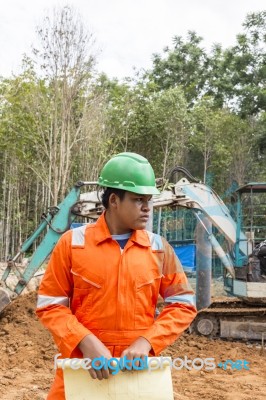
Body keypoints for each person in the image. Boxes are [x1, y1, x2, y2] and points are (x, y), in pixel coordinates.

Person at [36, 152, 197, 399]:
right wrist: (85, 341)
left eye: (148, 200)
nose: (147, 208)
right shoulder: (72, 244)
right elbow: (50, 305)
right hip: (83, 369)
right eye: (138, 200)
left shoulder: (158, 248)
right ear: (114, 200)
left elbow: (183, 304)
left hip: (138, 373)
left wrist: (147, 342)